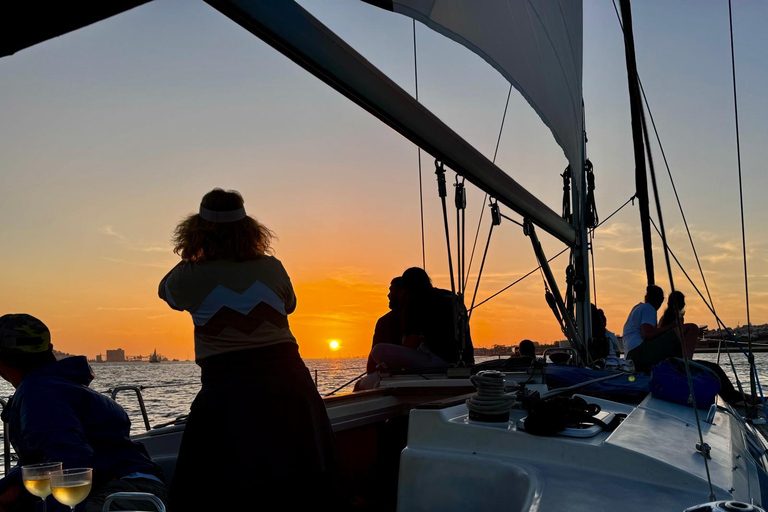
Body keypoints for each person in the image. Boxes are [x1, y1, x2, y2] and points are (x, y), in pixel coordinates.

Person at [158, 188, 337, 510]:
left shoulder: (188, 276)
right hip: (289, 380)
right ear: (251, 230)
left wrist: (194, 254)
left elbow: (165, 293)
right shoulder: (273, 267)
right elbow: (290, 305)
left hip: (229, 387)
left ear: (196, 231)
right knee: (302, 480)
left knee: (223, 486)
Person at [0, 314, 168, 512]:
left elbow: (71, 464)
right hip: (134, 484)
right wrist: (13, 483)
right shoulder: (56, 386)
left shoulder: (38, 393)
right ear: (49, 349)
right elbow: (45, 459)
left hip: (126, 491)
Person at [369, 268, 474, 370]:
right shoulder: (450, 296)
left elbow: (410, 345)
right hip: (466, 361)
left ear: (406, 288)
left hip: (441, 362)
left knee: (378, 351)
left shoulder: (415, 303)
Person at [658, 292, 750, 406]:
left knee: (714, 368)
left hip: (672, 360)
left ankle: (737, 396)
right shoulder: (678, 319)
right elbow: (681, 342)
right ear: (681, 304)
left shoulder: (664, 319)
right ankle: (735, 399)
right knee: (714, 369)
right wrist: (695, 333)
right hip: (678, 362)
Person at [623, 285, 696, 373]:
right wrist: (671, 326)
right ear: (660, 300)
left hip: (630, 356)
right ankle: (687, 366)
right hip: (639, 354)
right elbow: (647, 334)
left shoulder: (637, 308)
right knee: (692, 328)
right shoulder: (649, 308)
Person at [366, 277, 406, 373]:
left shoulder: (385, 321)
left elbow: (372, 364)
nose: (388, 295)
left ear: (401, 293)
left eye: (392, 290)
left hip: (395, 374)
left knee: (359, 385)